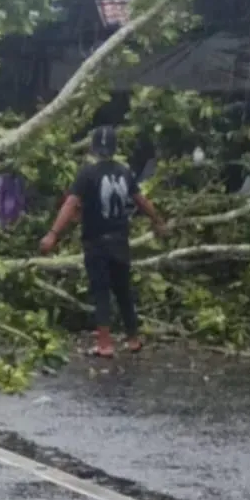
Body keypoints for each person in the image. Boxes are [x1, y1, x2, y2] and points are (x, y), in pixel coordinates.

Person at [39, 125, 168, 358]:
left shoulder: (87, 174)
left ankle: (105, 344)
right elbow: (141, 200)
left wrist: (53, 233)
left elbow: (70, 204)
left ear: (93, 147)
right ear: (115, 147)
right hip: (120, 240)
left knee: (101, 292)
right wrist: (158, 221)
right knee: (123, 290)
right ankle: (133, 339)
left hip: (96, 242)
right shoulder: (125, 172)